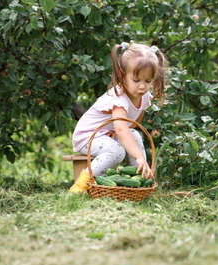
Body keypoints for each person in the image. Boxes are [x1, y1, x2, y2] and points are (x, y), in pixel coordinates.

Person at [69, 41, 167, 193]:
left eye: (148, 81)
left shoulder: (144, 96)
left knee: (135, 135)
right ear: (123, 75)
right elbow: (121, 129)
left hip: (107, 134)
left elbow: (132, 123)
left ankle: (140, 179)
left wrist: (120, 132)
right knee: (117, 152)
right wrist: (138, 154)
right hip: (87, 137)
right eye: (136, 80)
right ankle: (83, 183)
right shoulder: (119, 98)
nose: (142, 86)